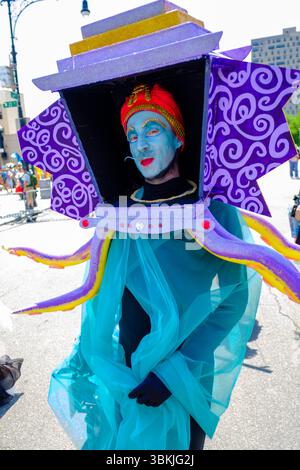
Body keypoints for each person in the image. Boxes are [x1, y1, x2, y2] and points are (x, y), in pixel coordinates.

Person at [47, 84, 262, 450]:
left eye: (152, 129)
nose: (141, 144)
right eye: (132, 135)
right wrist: (93, 352)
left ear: (178, 136)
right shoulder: (118, 212)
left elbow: (235, 298)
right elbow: (104, 294)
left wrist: (173, 373)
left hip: (186, 374)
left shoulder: (211, 208)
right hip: (127, 370)